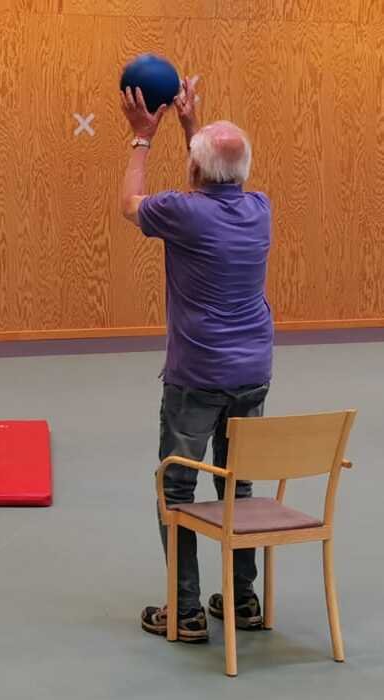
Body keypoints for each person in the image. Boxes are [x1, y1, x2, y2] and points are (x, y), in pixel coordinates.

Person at [120, 79, 274, 642]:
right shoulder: (259, 208)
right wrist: (194, 127)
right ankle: (245, 600)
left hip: (196, 377)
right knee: (239, 485)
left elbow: (129, 206)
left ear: (193, 170)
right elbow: (220, 175)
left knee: (178, 489)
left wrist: (142, 139)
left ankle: (184, 612)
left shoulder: (181, 212)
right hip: (253, 371)